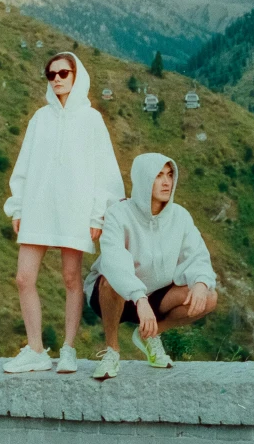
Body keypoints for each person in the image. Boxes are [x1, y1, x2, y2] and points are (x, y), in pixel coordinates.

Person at [3, 52, 124, 374]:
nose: (57, 78)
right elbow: (24, 166)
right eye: (51, 73)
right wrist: (18, 207)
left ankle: (68, 349)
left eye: (63, 73)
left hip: (75, 209)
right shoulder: (40, 119)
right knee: (23, 277)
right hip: (38, 208)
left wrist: (98, 215)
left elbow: (105, 172)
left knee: (71, 278)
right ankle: (36, 350)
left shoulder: (91, 119)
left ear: (76, 75)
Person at [84, 152, 217, 379]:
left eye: (170, 175)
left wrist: (201, 283)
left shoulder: (180, 216)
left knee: (209, 296)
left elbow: (198, 256)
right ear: (145, 179)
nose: (167, 182)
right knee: (110, 281)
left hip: (155, 295)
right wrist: (139, 297)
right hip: (116, 295)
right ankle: (112, 352)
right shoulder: (119, 213)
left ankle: (149, 335)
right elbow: (114, 262)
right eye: (158, 176)